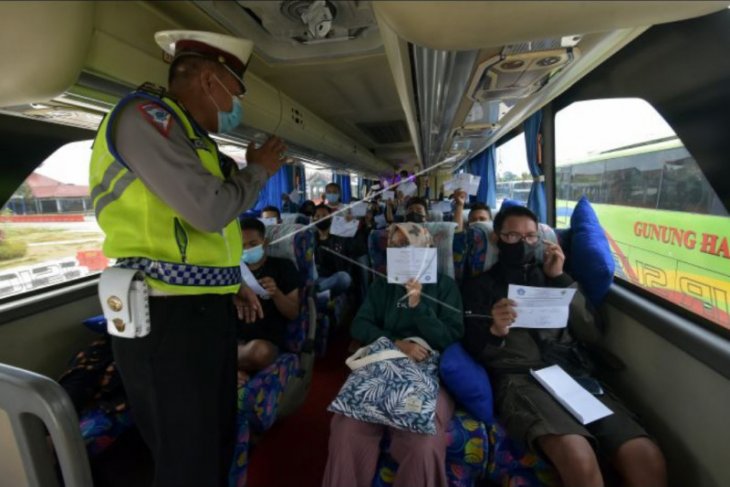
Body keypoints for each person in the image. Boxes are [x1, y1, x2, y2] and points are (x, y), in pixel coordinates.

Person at [89, 30, 287, 487]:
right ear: (208, 80)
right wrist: (259, 170)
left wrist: (230, 280)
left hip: (200, 310)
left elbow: (205, 233)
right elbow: (210, 209)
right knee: (187, 460)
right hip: (164, 315)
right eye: (235, 92)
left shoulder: (193, 141)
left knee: (214, 442)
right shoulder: (146, 117)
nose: (235, 104)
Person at [461, 206, 666, 487]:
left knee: (644, 454)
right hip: (520, 378)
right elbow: (473, 350)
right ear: (497, 239)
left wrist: (560, 278)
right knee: (577, 454)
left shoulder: (554, 276)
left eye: (531, 236)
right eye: (512, 236)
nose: (523, 243)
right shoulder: (479, 286)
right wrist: (496, 330)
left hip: (570, 372)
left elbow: (591, 331)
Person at [322, 223, 464, 487]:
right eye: (394, 245)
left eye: (407, 245)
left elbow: (450, 337)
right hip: (383, 362)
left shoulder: (445, 287)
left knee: (425, 443)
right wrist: (396, 344)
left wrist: (419, 305)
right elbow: (359, 325)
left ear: (427, 249)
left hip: (427, 368)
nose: (399, 250)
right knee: (346, 430)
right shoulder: (382, 286)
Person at [236, 218, 301, 382]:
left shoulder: (283, 267)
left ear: (265, 242)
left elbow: (293, 312)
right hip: (231, 336)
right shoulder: (232, 271)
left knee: (260, 352)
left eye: (252, 244)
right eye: (242, 245)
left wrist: (276, 293)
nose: (247, 249)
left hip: (264, 339)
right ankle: (233, 367)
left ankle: (227, 366)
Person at [311, 204, 363, 299]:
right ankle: (320, 294)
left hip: (337, 277)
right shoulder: (309, 238)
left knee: (344, 278)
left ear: (331, 218)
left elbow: (357, 249)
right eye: (317, 216)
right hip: (318, 279)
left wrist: (350, 225)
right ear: (312, 219)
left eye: (324, 216)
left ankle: (314, 292)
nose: (321, 219)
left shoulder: (341, 235)